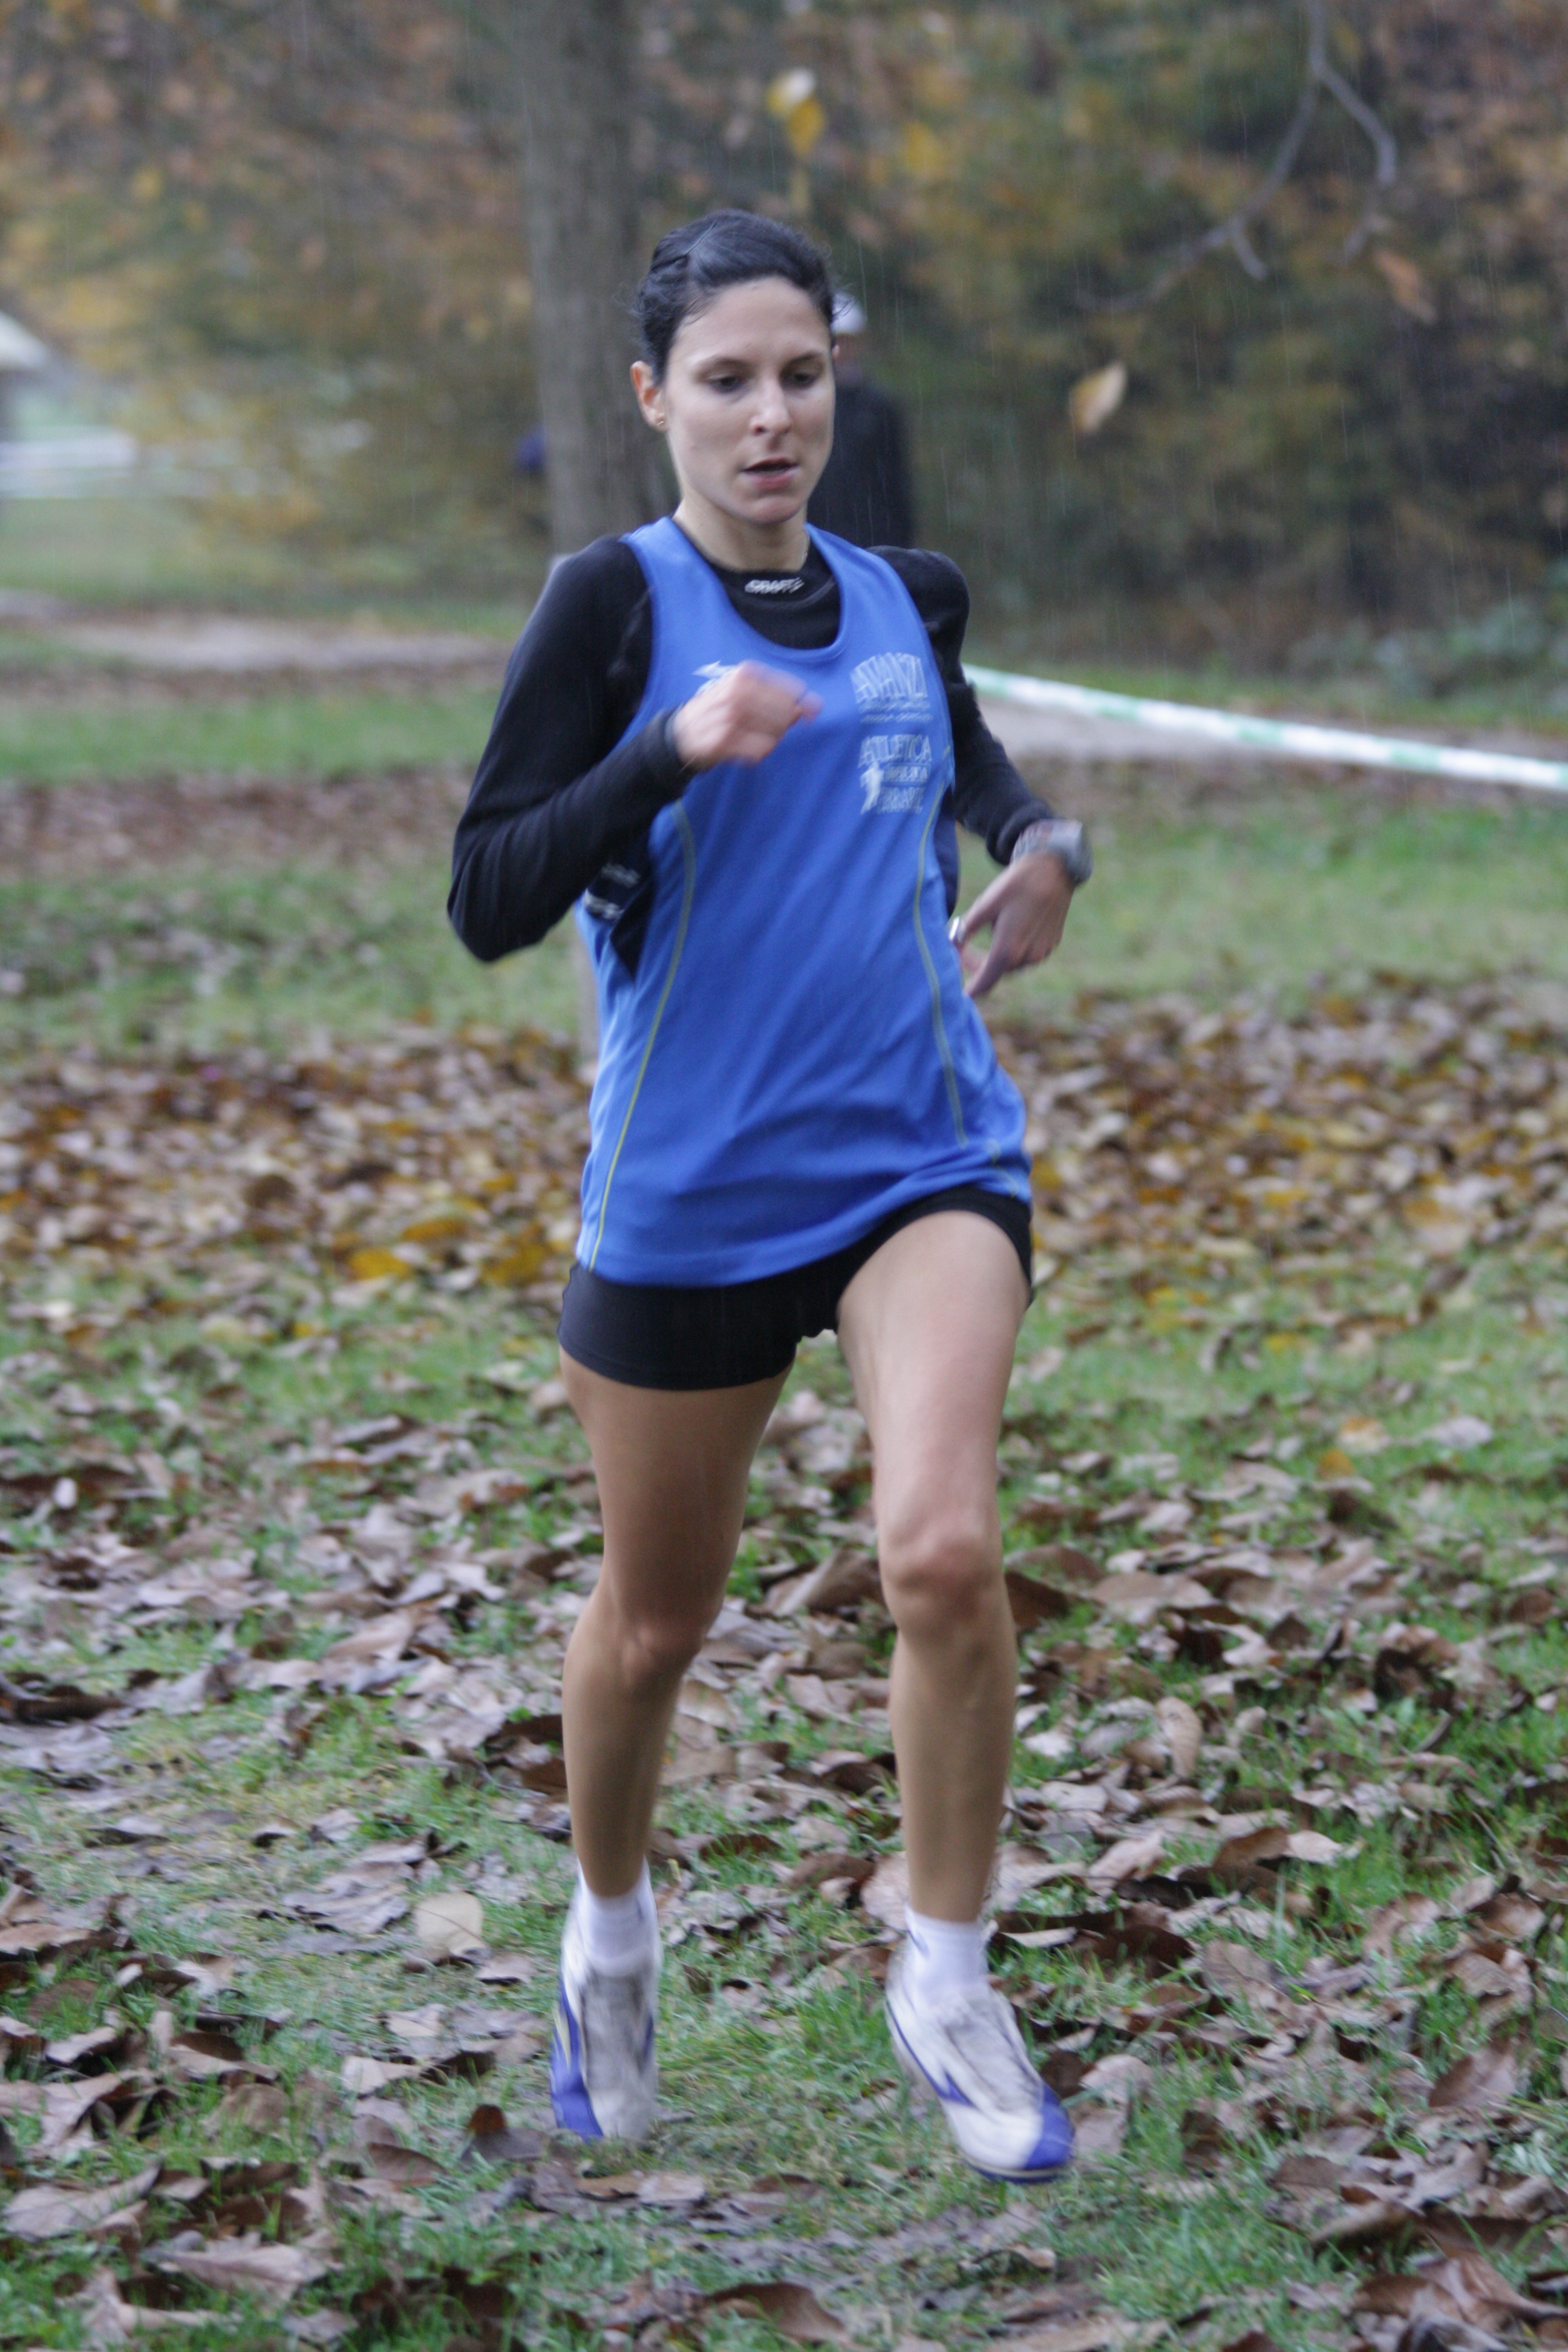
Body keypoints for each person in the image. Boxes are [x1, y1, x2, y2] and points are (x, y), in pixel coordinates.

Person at [449, 210, 1094, 2182]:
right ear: (653, 397)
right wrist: (665, 749)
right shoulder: (612, 606)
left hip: (924, 1152)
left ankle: (948, 1965)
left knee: (941, 1553)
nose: (769, 415)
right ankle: (612, 1936)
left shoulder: (910, 591)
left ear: (835, 381)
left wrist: (1044, 837)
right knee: (655, 1621)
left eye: (799, 373)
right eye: (725, 379)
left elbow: (957, 749)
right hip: (692, 1193)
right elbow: (488, 892)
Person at [806, 292, 915, 548]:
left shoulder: (879, 406)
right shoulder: (807, 404)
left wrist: (898, 545)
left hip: (871, 542)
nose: (842, 349)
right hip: (817, 542)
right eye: (836, 340)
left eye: (848, 340)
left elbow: (896, 482)